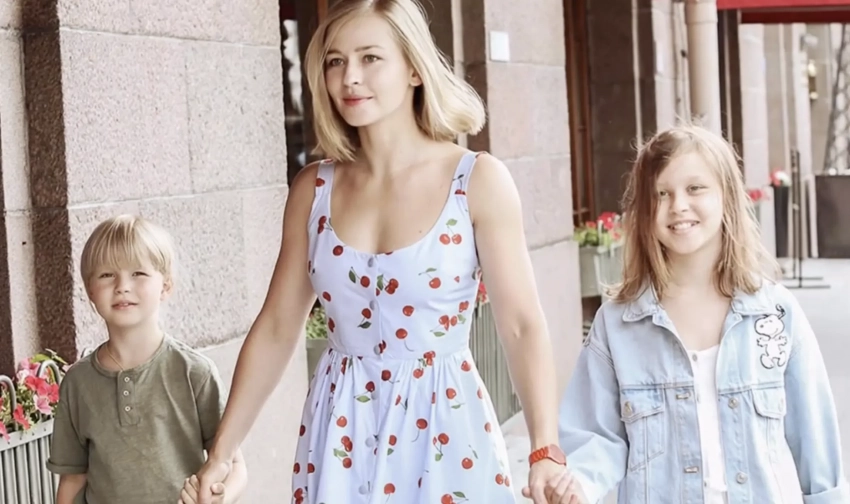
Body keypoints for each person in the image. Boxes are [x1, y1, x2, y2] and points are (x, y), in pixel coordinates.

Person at [193, 0, 567, 503]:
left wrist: (545, 449)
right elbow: (278, 327)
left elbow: (521, 324)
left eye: (370, 58)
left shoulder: (476, 180)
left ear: (414, 68)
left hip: (445, 430)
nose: (350, 77)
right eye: (336, 61)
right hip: (340, 432)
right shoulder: (313, 189)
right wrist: (221, 453)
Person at [549, 125, 849, 504]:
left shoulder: (774, 313)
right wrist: (577, 483)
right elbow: (597, 435)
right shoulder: (617, 324)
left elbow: (814, 434)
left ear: (726, 196)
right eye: (661, 193)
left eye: (695, 188)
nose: (678, 205)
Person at [46, 215, 247, 504]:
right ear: (90, 290)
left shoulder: (194, 373)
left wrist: (221, 497)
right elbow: (73, 479)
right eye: (107, 275)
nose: (122, 286)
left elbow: (235, 465)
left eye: (138, 273)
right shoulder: (77, 383)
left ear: (166, 285)